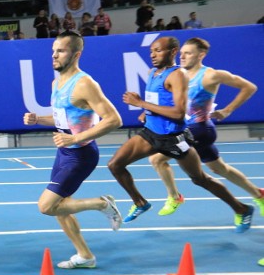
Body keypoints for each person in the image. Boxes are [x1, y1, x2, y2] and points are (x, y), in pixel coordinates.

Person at [106, 36, 254, 231]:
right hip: (150, 133)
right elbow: (159, 100)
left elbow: (178, 113)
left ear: (172, 52)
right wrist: (146, 110)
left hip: (174, 138)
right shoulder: (153, 72)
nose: (153, 54)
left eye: (158, 50)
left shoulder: (178, 75)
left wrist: (141, 103)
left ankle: (242, 209)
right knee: (115, 165)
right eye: (152, 51)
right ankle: (141, 202)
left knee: (200, 179)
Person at [23, 31, 123, 269]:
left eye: (61, 51)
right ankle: (85, 256)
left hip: (81, 155)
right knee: (60, 209)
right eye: (53, 51)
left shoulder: (85, 84)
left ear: (76, 54)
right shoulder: (56, 82)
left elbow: (113, 119)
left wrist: (75, 138)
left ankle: (102, 203)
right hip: (65, 153)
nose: (54, 56)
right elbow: (63, 120)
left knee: (46, 206)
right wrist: (38, 119)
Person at [147, 37, 264, 217]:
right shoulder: (176, 74)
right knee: (220, 169)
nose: (183, 56)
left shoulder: (211, 75)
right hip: (184, 129)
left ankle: (174, 196)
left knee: (157, 159)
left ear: (201, 55)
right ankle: (259, 194)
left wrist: (228, 110)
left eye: (188, 53)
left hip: (198, 129)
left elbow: (249, 87)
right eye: (182, 52)